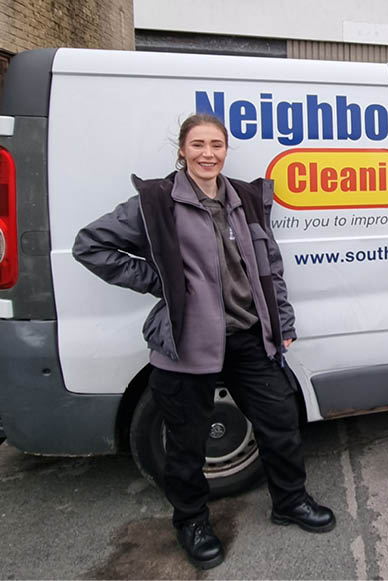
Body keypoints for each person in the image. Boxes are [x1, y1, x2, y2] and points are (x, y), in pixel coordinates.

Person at [72, 114, 335, 569]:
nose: (207, 153)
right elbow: (89, 246)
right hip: (188, 343)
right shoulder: (157, 201)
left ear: (226, 150)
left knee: (280, 424)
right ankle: (192, 521)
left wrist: (283, 322)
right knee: (186, 443)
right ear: (182, 149)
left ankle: (290, 501)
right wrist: (162, 281)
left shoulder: (247, 199)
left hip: (250, 336)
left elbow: (269, 267)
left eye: (216, 144)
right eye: (198, 144)